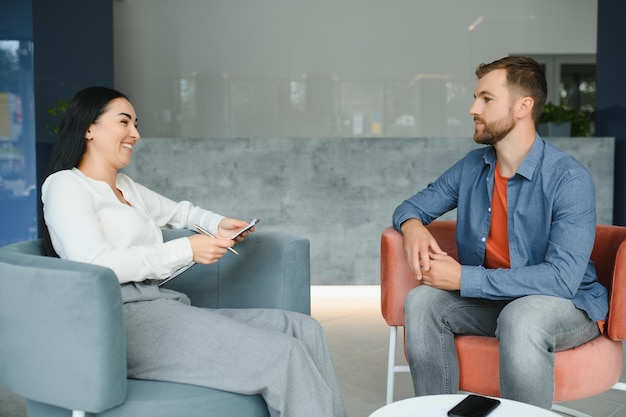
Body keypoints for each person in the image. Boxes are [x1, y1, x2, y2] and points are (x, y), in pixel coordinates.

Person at [40, 86, 347, 417]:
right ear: (89, 127)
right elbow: (95, 263)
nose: (135, 134)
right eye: (124, 122)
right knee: (284, 355)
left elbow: (181, 213)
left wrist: (218, 224)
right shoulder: (64, 186)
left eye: (136, 124)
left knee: (305, 330)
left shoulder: (125, 188)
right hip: (119, 321)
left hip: (161, 306)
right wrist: (186, 249)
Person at [392, 56, 608, 409]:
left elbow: (562, 280)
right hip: (497, 301)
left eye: (486, 99)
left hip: (567, 306)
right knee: (421, 302)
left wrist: (463, 277)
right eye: (476, 97)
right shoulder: (472, 167)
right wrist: (412, 225)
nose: (472, 108)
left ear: (524, 106)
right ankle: (434, 412)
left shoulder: (569, 179)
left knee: (520, 317)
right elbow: (411, 206)